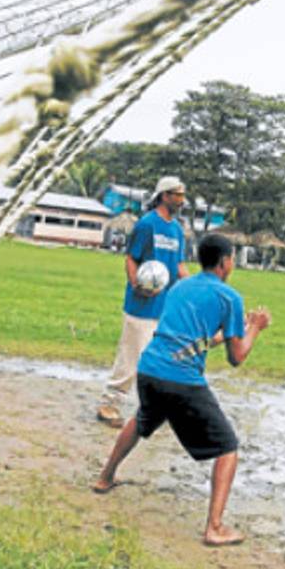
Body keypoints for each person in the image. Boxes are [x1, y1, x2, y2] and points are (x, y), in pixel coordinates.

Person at [93, 234, 272, 546]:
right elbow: (237, 357)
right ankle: (214, 527)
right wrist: (255, 327)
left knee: (142, 419)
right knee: (228, 448)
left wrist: (234, 330)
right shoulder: (230, 298)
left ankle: (105, 477)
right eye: (232, 258)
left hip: (149, 368)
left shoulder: (180, 287)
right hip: (180, 379)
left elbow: (191, 340)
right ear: (225, 261)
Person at [95, 176, 190, 427]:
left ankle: (156, 408)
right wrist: (138, 285)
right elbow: (131, 259)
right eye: (178, 194)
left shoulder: (177, 230)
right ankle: (109, 404)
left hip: (165, 307)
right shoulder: (147, 225)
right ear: (164, 195)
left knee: (162, 359)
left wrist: (192, 287)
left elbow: (179, 265)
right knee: (131, 356)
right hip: (141, 305)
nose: (182, 200)